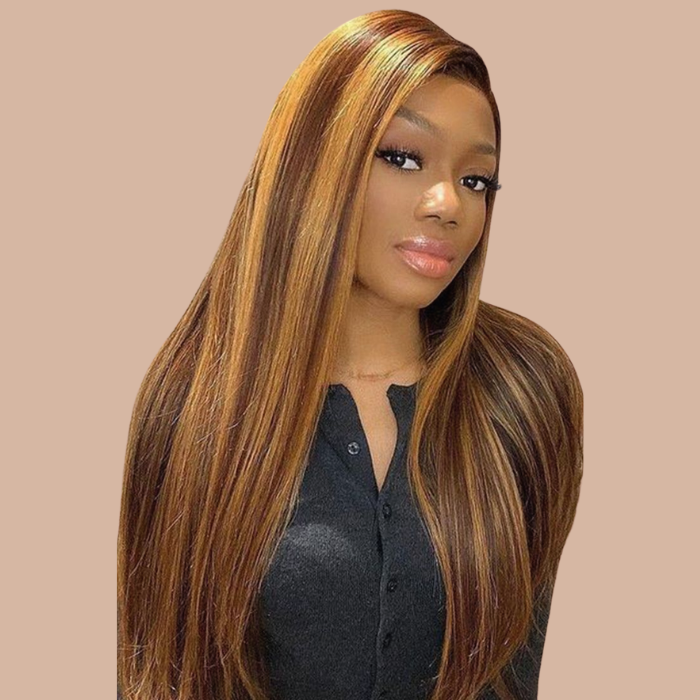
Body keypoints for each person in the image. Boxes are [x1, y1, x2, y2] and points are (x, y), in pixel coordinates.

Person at [117, 9, 583, 700]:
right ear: (314, 163)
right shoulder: (199, 398)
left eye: (477, 180)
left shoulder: (521, 386)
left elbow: (516, 672)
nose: (448, 204)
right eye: (403, 157)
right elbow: (163, 675)